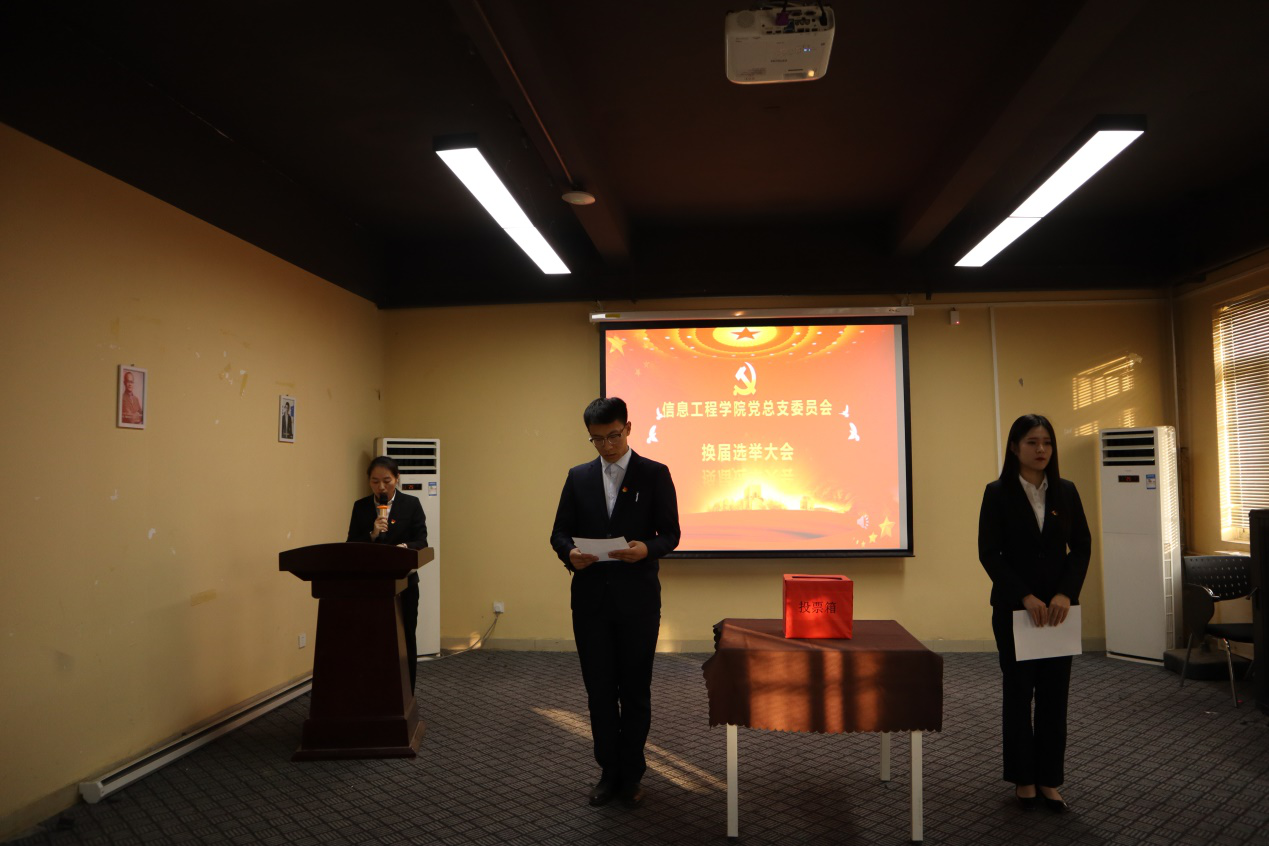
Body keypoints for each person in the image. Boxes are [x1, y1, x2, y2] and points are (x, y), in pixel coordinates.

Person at [549, 397, 680, 809]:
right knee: (600, 692)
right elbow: (559, 533)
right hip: (591, 603)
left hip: (638, 601)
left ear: (628, 428)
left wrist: (647, 549)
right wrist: (570, 554)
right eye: (597, 439)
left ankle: (633, 774)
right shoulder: (578, 477)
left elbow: (671, 534)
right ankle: (608, 772)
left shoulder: (654, 473)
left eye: (613, 436)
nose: (606, 446)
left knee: (635, 691)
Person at [977, 414, 1091, 814]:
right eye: (1031, 442)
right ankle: (1023, 778)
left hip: (1058, 612)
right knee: (1019, 692)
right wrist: (1024, 595)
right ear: (1014, 447)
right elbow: (989, 553)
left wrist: (1065, 593)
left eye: (1047, 442)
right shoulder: (997, 493)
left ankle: (1049, 779)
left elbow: (1081, 547)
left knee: (1054, 696)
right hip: (1016, 610)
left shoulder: (1066, 491)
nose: (1041, 449)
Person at [346, 456, 428, 688]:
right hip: (371, 584)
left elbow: (421, 540)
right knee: (372, 638)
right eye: (375, 481)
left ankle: (407, 691)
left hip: (405, 583)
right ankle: (374, 689)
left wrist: (404, 547)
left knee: (406, 635)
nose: (381, 487)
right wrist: (372, 534)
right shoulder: (361, 506)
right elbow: (351, 544)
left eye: (386, 481)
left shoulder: (411, 504)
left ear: (397, 478)